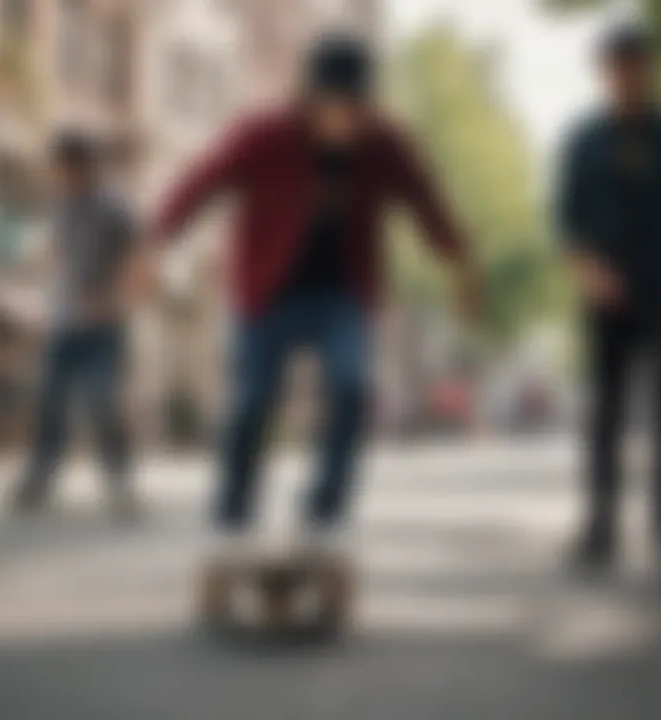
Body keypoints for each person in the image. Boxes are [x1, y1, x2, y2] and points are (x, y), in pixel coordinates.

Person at [148, 34, 480, 551]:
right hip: (266, 291)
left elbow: (427, 202)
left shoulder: (385, 143)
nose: (346, 122)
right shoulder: (264, 135)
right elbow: (203, 181)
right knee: (252, 401)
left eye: (356, 109)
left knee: (351, 388)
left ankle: (324, 512)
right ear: (310, 98)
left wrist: (461, 267)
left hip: (342, 294)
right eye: (335, 108)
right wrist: (156, 243)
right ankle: (233, 514)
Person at [559, 25, 661, 568]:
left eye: (635, 64)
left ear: (649, 70)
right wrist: (588, 266)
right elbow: (569, 214)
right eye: (616, 66)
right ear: (604, 73)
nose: (626, 76)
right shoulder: (584, 141)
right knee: (605, 408)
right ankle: (600, 522)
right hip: (607, 289)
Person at [11, 131, 140, 520]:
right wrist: (31, 285)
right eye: (57, 169)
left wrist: (113, 299)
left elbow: (139, 256)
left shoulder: (115, 206)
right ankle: (40, 477)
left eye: (66, 167)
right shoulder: (58, 203)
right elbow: (53, 250)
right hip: (62, 320)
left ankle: (118, 482)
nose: (61, 175)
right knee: (49, 399)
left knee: (102, 401)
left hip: (103, 324)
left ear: (86, 166)